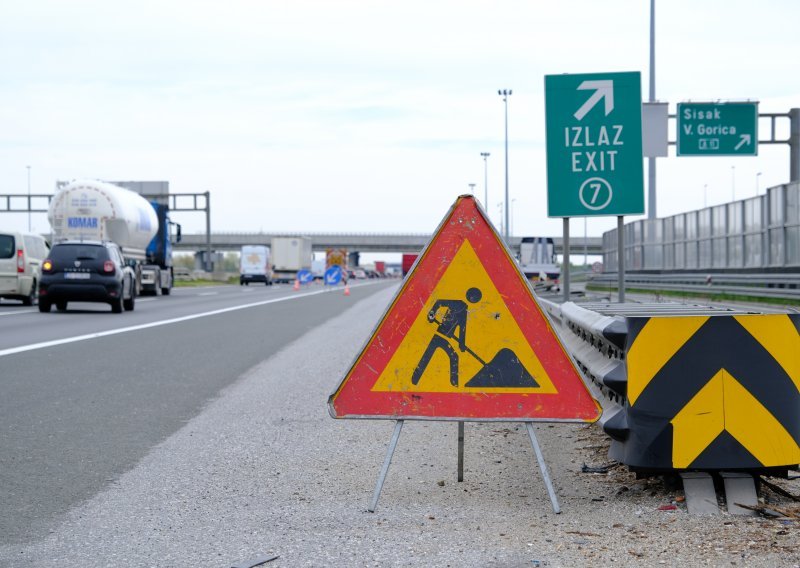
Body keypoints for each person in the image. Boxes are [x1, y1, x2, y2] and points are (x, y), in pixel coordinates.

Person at [411, 287, 482, 387]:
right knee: (441, 356)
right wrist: (431, 314)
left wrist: (461, 345)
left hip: (442, 338)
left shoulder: (464, 309)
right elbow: (439, 302)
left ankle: (415, 379)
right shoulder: (458, 304)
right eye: (475, 298)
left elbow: (462, 329)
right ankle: (453, 385)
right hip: (440, 336)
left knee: (435, 356)